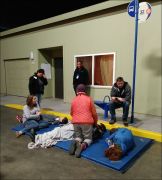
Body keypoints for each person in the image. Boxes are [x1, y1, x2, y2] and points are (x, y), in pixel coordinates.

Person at [69, 84, 98, 158]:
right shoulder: (89, 99)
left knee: (79, 136)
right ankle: (82, 145)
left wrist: (77, 119)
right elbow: (94, 113)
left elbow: (71, 113)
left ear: (77, 91)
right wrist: (95, 123)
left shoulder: (74, 100)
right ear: (85, 91)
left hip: (75, 121)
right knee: (88, 138)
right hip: (86, 122)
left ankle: (76, 141)